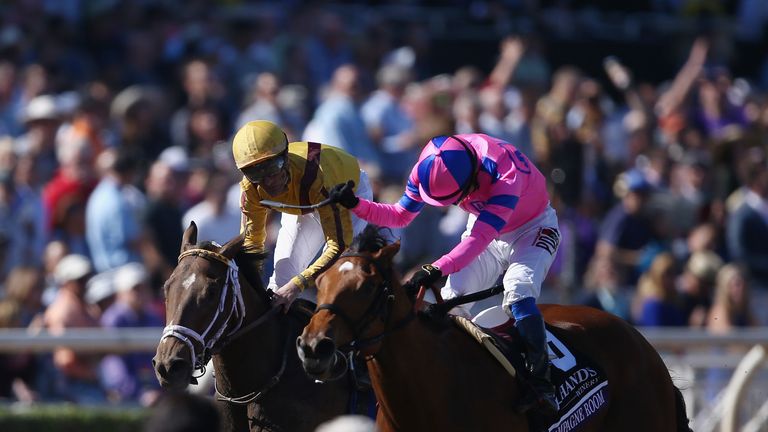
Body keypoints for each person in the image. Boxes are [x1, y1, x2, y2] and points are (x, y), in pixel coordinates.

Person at [329, 133, 560, 415]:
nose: (455, 205)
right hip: (487, 228)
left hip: (533, 229)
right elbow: (400, 215)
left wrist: (435, 268)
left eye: (456, 199)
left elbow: (478, 240)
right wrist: (356, 205)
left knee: (518, 291)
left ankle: (542, 384)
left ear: (471, 179)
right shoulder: (427, 167)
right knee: (450, 303)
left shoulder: (504, 175)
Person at [232, 120, 373, 311]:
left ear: (285, 157)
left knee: (339, 276)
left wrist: (297, 285)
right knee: (279, 284)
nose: (268, 181)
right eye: (255, 172)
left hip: (344, 195)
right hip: (303, 202)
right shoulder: (250, 188)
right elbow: (252, 245)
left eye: (273, 167)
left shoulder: (319, 178)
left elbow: (339, 245)